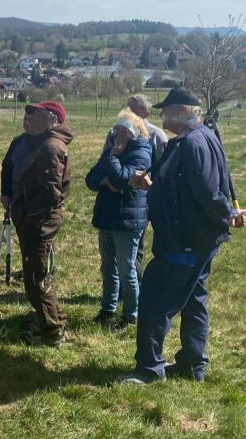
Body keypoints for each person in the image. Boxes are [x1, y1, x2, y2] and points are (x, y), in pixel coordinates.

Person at [120, 87, 246, 385]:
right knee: (193, 299)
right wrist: (152, 185)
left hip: (185, 241)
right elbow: (187, 188)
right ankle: (192, 364)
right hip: (197, 238)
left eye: (166, 110)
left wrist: (227, 214)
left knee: (154, 300)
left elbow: (206, 192)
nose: (161, 115)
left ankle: (148, 369)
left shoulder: (193, 144)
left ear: (181, 111)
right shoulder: (196, 138)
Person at [10, 101, 73, 347]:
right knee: (37, 274)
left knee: (37, 278)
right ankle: (54, 320)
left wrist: (29, 219)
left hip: (39, 223)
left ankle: (52, 331)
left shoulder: (50, 148)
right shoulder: (46, 144)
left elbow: (50, 194)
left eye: (37, 114)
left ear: (52, 120)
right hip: (36, 221)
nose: (31, 117)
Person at [85, 109, 151, 329]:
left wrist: (114, 156)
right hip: (107, 217)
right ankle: (107, 309)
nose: (117, 133)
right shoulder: (111, 149)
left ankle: (130, 315)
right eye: (116, 129)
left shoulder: (141, 152)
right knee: (108, 268)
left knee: (126, 269)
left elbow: (122, 178)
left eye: (122, 130)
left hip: (128, 219)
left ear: (133, 132)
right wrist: (104, 180)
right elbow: (90, 178)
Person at [125, 94, 168, 282]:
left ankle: (136, 285)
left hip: (144, 199)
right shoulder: (116, 132)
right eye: (127, 109)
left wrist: (152, 193)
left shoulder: (157, 135)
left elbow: (163, 169)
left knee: (135, 245)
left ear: (146, 114)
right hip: (119, 196)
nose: (129, 114)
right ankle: (117, 287)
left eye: (134, 111)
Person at [0, 104, 34, 210]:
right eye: (25, 119)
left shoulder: (45, 145)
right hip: (16, 198)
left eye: (31, 120)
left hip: (34, 199)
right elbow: (7, 168)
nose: (27, 123)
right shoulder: (17, 142)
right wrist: (5, 193)